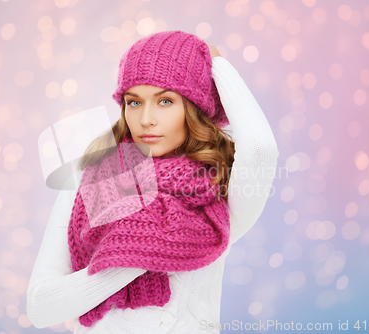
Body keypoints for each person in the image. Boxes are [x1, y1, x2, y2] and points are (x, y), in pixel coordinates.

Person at [27, 30, 279, 334]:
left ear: (195, 108)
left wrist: (218, 65)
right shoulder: (92, 178)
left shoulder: (219, 188)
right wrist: (135, 255)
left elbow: (261, 149)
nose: (146, 119)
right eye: (134, 103)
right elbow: (40, 308)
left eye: (165, 101)